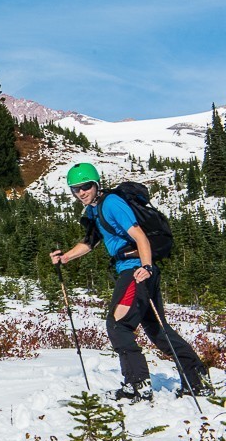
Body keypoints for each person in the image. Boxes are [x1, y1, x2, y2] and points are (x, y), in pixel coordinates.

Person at [50, 163, 211, 403]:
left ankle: (137, 385)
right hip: (137, 268)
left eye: (85, 186)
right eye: (75, 189)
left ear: (96, 184)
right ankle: (197, 379)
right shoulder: (94, 210)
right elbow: (91, 242)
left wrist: (145, 268)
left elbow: (139, 236)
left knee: (118, 325)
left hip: (135, 270)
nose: (81, 192)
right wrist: (65, 257)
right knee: (158, 331)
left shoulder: (112, 203)